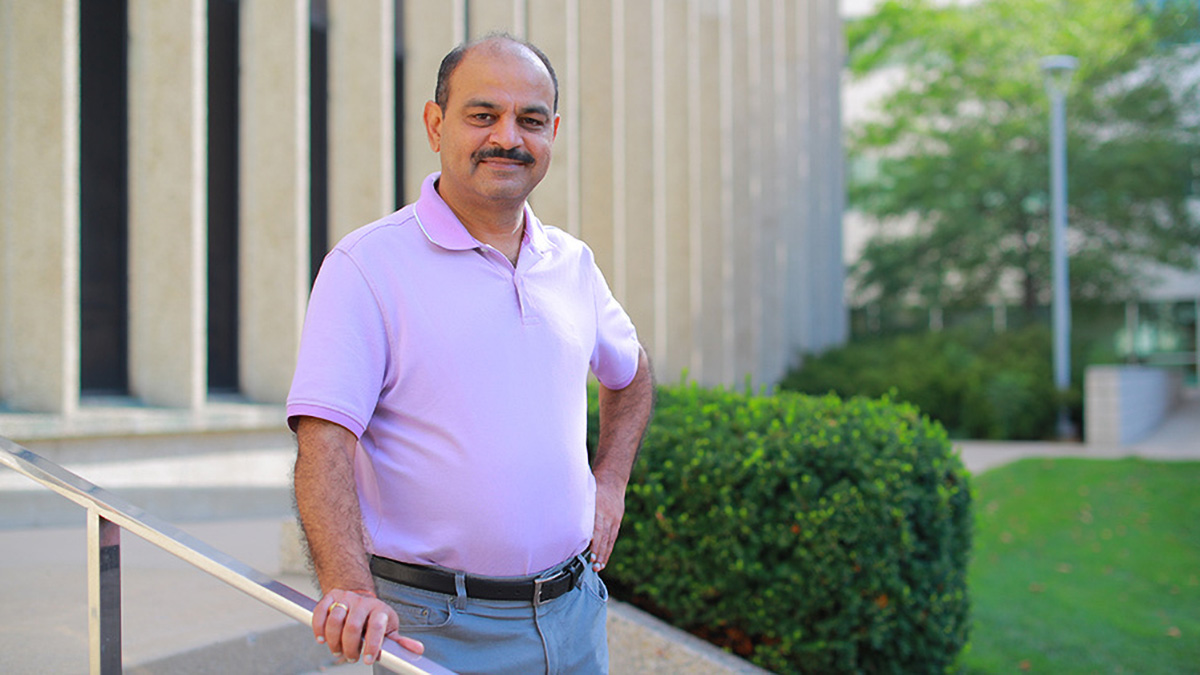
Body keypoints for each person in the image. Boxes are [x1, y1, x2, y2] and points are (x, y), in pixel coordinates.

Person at [288, 33, 654, 675]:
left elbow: (632, 375)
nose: (507, 137)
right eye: (482, 115)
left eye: (530, 120)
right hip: (433, 631)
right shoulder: (367, 267)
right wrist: (348, 585)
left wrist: (612, 482)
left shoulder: (572, 263)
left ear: (553, 133)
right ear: (435, 124)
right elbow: (324, 444)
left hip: (573, 619)